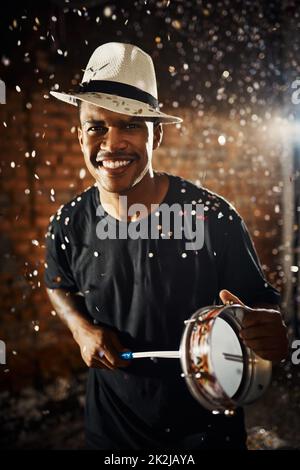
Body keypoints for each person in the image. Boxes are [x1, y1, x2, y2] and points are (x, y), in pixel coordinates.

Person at [44, 42, 288, 450]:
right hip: (110, 433)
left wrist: (270, 337)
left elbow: (263, 316)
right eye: (97, 126)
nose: (112, 143)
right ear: (79, 133)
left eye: (131, 125)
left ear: (158, 133)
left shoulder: (214, 218)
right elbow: (57, 284)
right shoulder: (69, 222)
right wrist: (82, 329)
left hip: (206, 435)